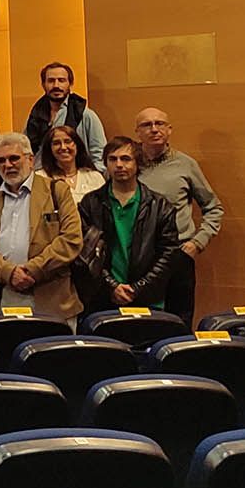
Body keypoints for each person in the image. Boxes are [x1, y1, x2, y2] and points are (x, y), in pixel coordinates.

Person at [0, 132, 84, 322]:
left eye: (14, 158)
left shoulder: (57, 191)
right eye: (1, 161)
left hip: (52, 299)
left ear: (30, 160)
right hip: (3, 297)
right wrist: (8, 272)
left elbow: (71, 238)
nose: (8, 165)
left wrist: (32, 270)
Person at [135, 108, 223, 327]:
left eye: (160, 123)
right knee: (140, 322)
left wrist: (197, 243)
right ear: (137, 132)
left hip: (178, 255)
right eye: (147, 125)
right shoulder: (127, 164)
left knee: (178, 323)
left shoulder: (186, 164)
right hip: (138, 257)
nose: (154, 129)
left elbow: (213, 208)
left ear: (169, 129)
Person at [77, 136, 186, 312]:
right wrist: (112, 287)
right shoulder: (90, 203)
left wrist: (138, 288)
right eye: (113, 159)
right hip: (101, 298)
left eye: (126, 159)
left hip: (148, 298)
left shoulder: (159, 205)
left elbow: (168, 254)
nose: (119, 165)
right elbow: (85, 253)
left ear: (138, 164)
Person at [24, 62, 107, 166]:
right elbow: (26, 151)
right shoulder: (35, 116)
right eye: (51, 81)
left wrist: (94, 179)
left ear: (70, 84)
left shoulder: (85, 115)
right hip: (41, 177)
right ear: (43, 84)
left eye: (61, 80)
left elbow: (99, 154)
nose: (56, 85)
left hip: (78, 177)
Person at [38, 124, 105, 201]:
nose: (63, 147)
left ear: (77, 145)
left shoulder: (95, 178)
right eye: (56, 143)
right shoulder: (41, 178)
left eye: (67, 141)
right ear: (49, 149)